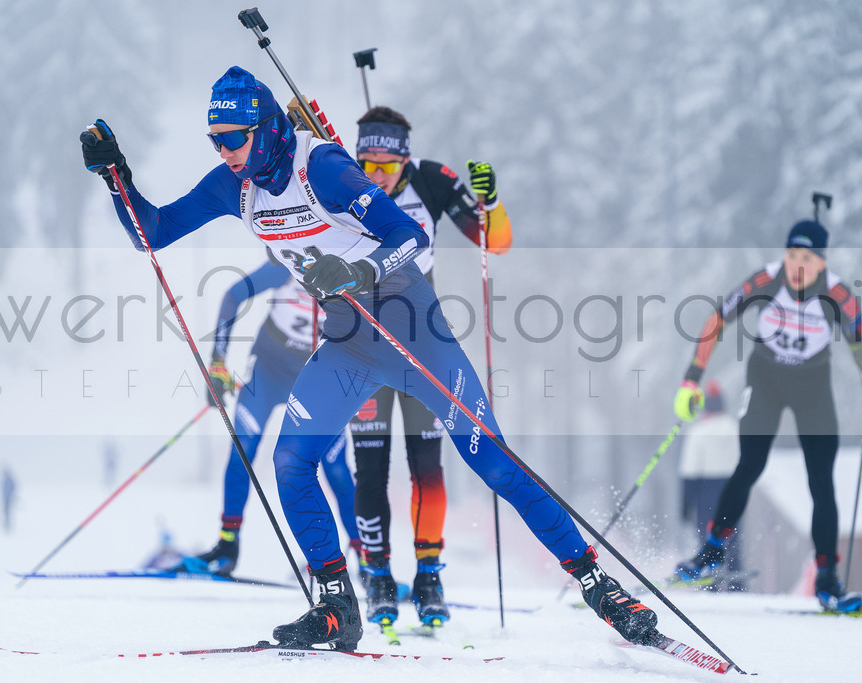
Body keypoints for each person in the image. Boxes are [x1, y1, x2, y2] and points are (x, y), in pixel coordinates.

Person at [80, 65, 659, 652]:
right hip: (348, 343)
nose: (224, 151)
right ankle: (337, 605)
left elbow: (411, 235)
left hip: (413, 330)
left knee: (493, 462)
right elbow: (154, 233)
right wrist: (116, 176)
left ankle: (600, 587)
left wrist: (360, 270)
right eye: (215, 140)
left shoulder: (322, 168)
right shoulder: (234, 184)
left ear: (267, 128)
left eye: (233, 138)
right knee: (291, 461)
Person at [669, 218, 862, 613]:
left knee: (821, 480)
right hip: (766, 379)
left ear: (821, 263)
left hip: (812, 386)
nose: (797, 265)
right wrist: (691, 379)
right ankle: (712, 553)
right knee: (750, 464)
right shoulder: (766, 280)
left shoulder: (837, 294)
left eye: (807, 258)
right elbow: (716, 320)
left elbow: (859, 339)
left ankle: (827, 579)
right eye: (792, 255)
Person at [348, 105, 512, 626]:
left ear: (405, 159)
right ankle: (377, 575)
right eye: (367, 164)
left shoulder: (432, 180)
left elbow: (495, 241)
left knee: (427, 465)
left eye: (386, 166)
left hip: (423, 343)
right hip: (362, 342)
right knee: (370, 468)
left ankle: (428, 575)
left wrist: (491, 202)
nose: (376, 175)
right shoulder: (341, 182)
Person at [172, 260, 360, 577]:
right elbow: (233, 295)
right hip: (268, 370)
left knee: (336, 467)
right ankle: (227, 545)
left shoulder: (349, 269)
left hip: (316, 377)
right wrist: (218, 362)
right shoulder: (289, 263)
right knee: (242, 451)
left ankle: (367, 558)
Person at [677, 380, 744, 588]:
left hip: (706, 492)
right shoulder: (736, 429)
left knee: (708, 540)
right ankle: (736, 583)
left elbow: (690, 470)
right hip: (733, 489)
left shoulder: (699, 432)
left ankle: (710, 584)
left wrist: (686, 504)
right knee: (732, 538)